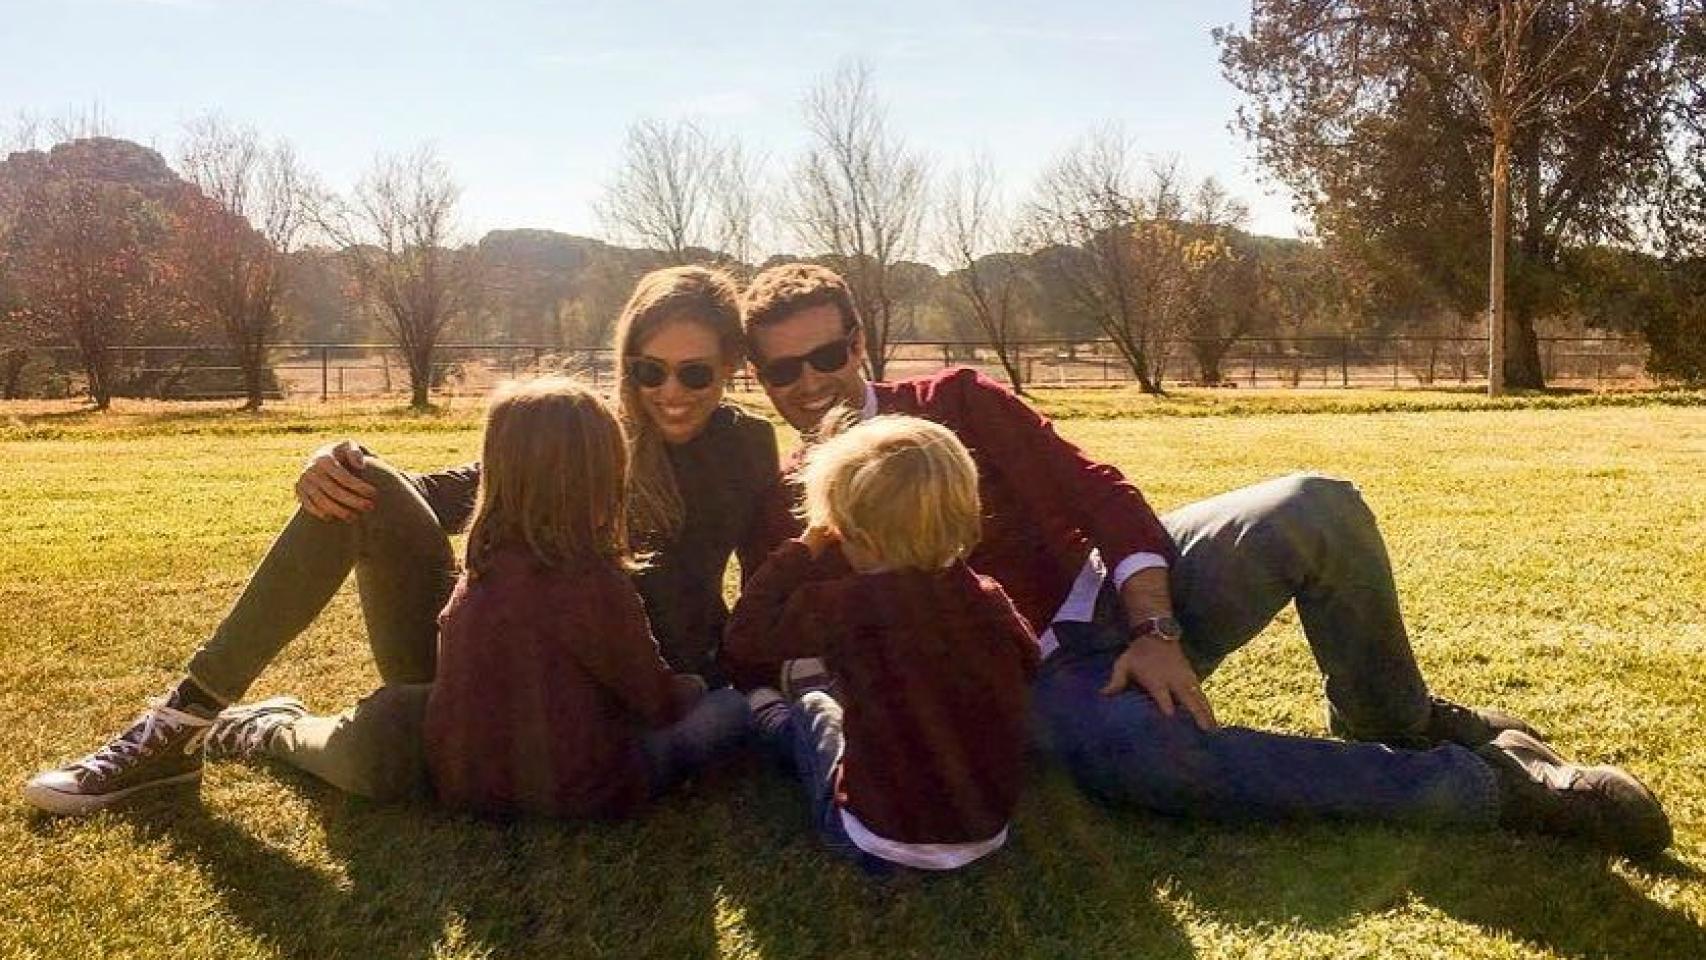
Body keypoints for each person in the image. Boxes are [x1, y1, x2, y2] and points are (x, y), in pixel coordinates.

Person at [730, 262, 1672, 859]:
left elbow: (1102, 494)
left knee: (1316, 505)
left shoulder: (958, 400)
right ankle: (1493, 787)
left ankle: (1401, 718)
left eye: (826, 354)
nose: (810, 382)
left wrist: (1156, 626)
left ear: (860, 343)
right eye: (782, 369)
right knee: (1146, 757)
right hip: (1036, 682)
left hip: (1117, 594)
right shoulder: (791, 498)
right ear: (760, 378)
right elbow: (793, 642)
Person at [24, 265, 779, 814]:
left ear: (730, 369)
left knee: (390, 754)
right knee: (364, 488)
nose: (669, 392)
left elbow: (767, 581)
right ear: (626, 364)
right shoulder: (582, 436)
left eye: (695, 374)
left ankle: (271, 730)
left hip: (632, 698)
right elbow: (454, 492)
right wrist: (341, 463)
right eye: (648, 370)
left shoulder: (748, 447)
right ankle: (182, 721)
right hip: (490, 684)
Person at [724, 415, 1039, 871]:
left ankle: (776, 721)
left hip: (874, 840)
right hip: (988, 833)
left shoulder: (847, 604)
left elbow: (745, 634)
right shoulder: (988, 598)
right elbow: (1029, 661)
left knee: (815, 706)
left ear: (859, 536)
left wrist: (804, 547)